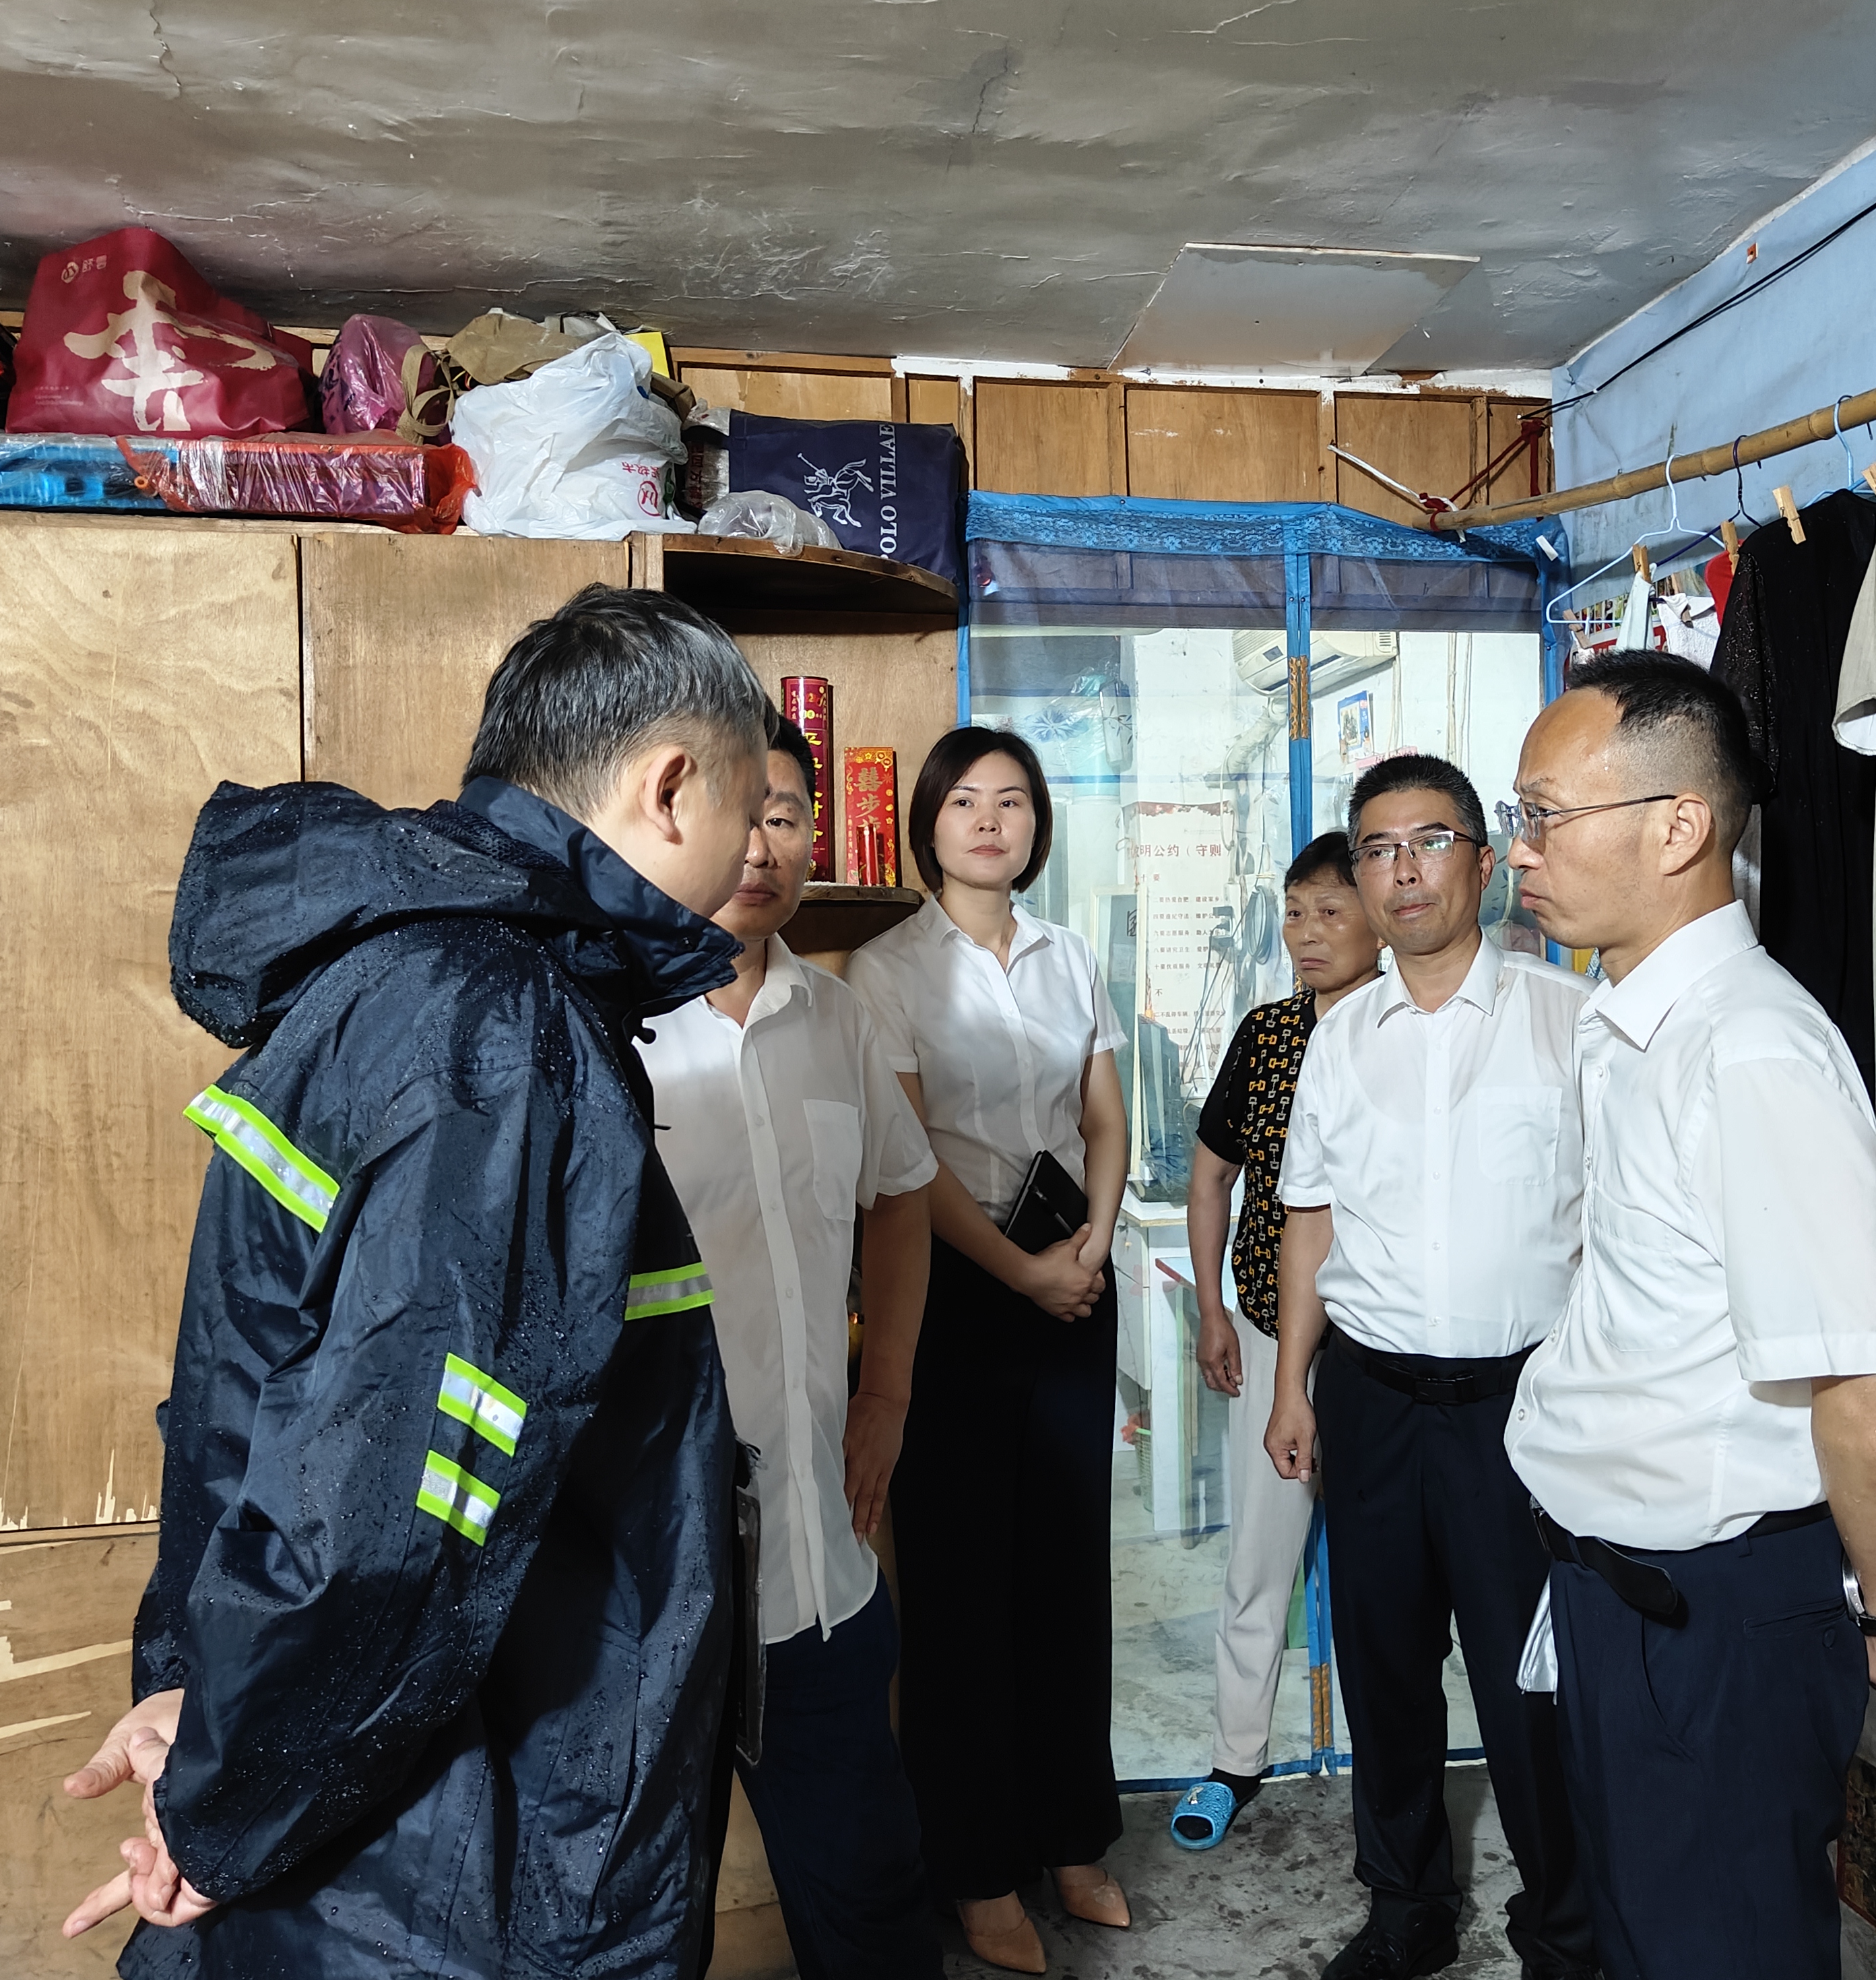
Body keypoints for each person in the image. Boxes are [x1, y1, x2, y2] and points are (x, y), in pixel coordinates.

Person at [59, 586, 767, 1979]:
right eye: (748, 813)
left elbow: (268, 1412)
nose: (752, 852)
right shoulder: (502, 1027)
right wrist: (230, 1800)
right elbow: (388, 1503)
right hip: (473, 1852)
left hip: (396, 1823)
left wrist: (209, 1716)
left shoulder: (412, 981)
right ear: (671, 785)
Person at [1500, 648, 1876, 1980]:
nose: (1518, 849)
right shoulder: (1632, 1024)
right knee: (1644, 1942)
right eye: (1517, 813)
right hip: (1622, 1602)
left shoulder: (1750, 1050)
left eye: (1545, 815)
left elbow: (1873, 1409)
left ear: (1678, 828)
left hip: (1711, 1622)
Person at [1262, 753, 1601, 1980]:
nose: (1403, 871)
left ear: (1485, 859)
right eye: (1378, 850)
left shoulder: (1572, 1021)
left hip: (1522, 1405)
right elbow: (1311, 1219)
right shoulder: (1339, 1040)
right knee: (1385, 1669)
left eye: (1430, 841)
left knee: (1530, 1682)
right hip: (1371, 1399)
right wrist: (1294, 1384)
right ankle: (1406, 1909)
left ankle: (1565, 1929)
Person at [644, 710, 945, 1980]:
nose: (762, 846)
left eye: (786, 815)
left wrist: (888, 1391)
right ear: (679, 819)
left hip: (822, 1575)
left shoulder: (841, 1022)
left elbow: (901, 1200)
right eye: (741, 811)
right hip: (651, 1599)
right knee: (644, 1933)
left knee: (875, 1918)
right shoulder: (610, 1029)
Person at [843, 726, 1132, 1977]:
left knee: (1067, 1572)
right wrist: (1022, 1274)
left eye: (1013, 802)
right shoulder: (885, 969)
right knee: (962, 1591)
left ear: (1036, 826)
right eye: (965, 801)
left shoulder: (1072, 955)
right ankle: (976, 1868)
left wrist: (1093, 1244)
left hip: (1076, 1272)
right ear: (928, 821)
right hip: (956, 1290)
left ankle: (1073, 1837)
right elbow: (907, 1163)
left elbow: (1106, 1114)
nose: (990, 822)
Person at [1169, 832, 1382, 1851]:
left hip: (1383, 1349)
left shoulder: (1408, 1030)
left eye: (1330, 911)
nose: (1306, 933)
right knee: (1259, 1556)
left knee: (1391, 1574)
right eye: (1295, 912)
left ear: (1379, 917)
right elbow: (1212, 1176)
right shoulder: (1267, 1036)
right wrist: (1211, 1308)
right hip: (1267, 1334)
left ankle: (1394, 1765)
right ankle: (1235, 1760)